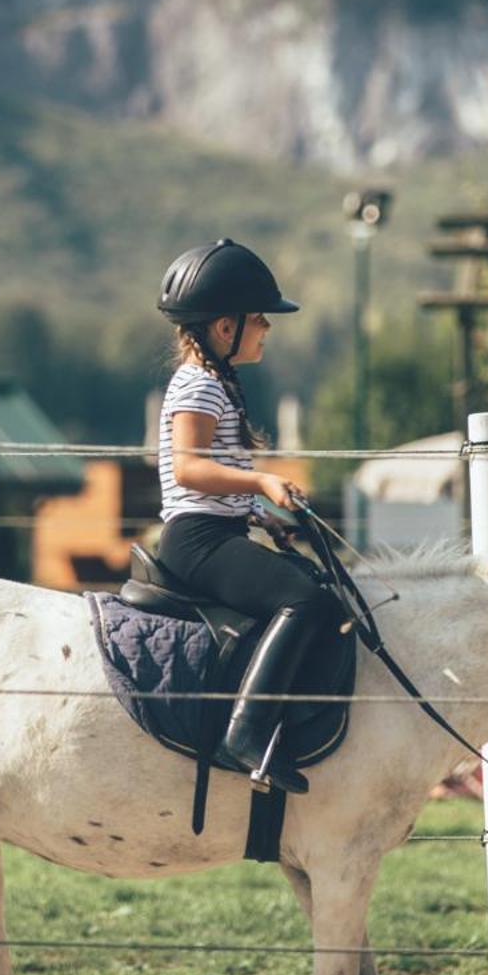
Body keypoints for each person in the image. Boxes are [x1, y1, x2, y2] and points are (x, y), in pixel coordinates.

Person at [155, 238, 345, 795]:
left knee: (314, 584)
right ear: (224, 328)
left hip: (221, 530)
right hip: (197, 542)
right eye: (259, 319)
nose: (267, 328)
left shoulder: (217, 384)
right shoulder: (197, 386)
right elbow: (189, 470)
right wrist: (261, 481)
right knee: (304, 600)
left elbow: (214, 483)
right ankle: (245, 733)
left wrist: (261, 515)